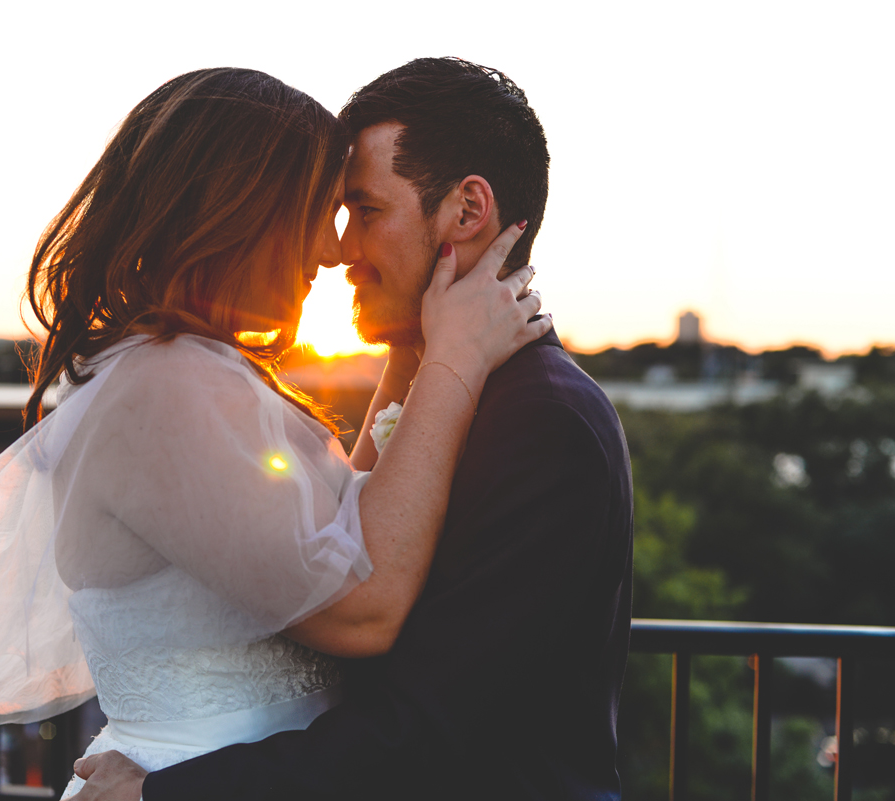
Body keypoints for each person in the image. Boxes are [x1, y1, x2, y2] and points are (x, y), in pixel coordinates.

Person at [0, 66, 549, 797]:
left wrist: (410, 351)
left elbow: (330, 531)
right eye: (322, 212)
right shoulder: (162, 391)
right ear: (241, 209)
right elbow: (364, 608)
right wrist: (453, 360)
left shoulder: (184, 372)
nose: (333, 249)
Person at [72, 58, 633, 801]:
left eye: (364, 211)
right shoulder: (174, 386)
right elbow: (358, 555)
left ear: (467, 212)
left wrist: (159, 794)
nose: (338, 250)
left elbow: (422, 736)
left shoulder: (541, 421)